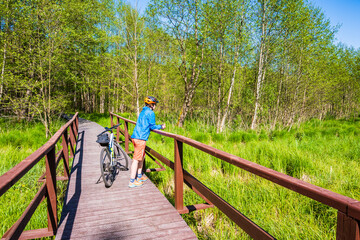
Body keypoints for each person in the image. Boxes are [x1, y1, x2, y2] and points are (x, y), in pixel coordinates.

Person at [128, 96, 165, 188]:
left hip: (136, 136)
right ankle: (132, 181)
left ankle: (139, 176)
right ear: (151, 105)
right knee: (136, 159)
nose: (155, 106)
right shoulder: (150, 113)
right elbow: (152, 126)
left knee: (142, 156)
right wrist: (161, 126)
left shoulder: (143, 111)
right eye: (155, 104)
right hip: (140, 138)